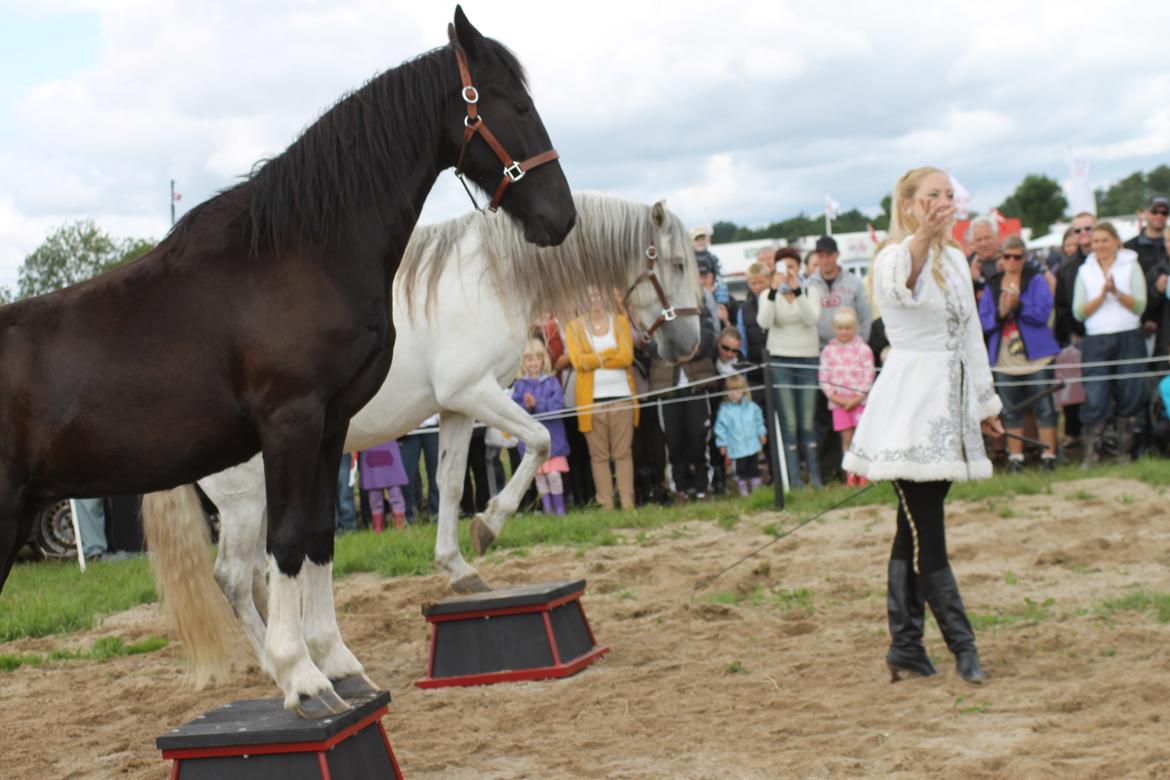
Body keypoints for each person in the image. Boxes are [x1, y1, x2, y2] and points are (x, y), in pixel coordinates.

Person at [843, 166, 1004, 685]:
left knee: (909, 530)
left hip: (949, 406)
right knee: (927, 532)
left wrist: (986, 403)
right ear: (909, 203)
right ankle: (964, 646)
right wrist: (924, 238)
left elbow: (972, 337)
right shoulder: (893, 255)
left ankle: (905, 645)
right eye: (932, 195)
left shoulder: (957, 259)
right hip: (910, 408)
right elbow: (901, 291)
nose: (942, 202)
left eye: (948, 194)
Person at [978, 236, 1062, 472]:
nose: (1012, 261)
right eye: (1007, 256)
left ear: (1025, 258)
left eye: (1017, 256)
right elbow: (984, 321)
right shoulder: (993, 285)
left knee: (1045, 408)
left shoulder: (1035, 281)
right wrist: (1002, 312)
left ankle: (1049, 455)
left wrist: (1018, 306)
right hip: (1004, 360)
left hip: (1037, 358)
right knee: (1010, 410)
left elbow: (1043, 313)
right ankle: (1016, 458)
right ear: (1001, 258)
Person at [1072, 222, 1148, 467]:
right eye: (1096, 241)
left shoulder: (1131, 266)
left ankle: (1123, 452)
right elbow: (1079, 312)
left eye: (1105, 240)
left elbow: (1139, 306)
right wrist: (1103, 294)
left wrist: (1115, 292)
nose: (1100, 245)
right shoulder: (1085, 271)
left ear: (1116, 241)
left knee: (1130, 391)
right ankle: (1093, 452)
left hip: (1129, 335)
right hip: (1096, 338)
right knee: (1095, 394)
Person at [806, 235, 874, 483]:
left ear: (836, 255)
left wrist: (858, 344)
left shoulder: (853, 282)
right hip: (824, 353)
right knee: (827, 419)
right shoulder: (810, 283)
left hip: (853, 355)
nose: (824, 260)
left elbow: (866, 315)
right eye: (820, 256)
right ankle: (833, 469)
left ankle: (861, 469)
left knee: (859, 423)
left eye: (828, 255)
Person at [564, 289, 639, 510]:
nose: (594, 299)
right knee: (598, 457)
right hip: (591, 401)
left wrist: (595, 359)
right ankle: (606, 504)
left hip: (622, 397)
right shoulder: (574, 327)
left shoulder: (620, 322)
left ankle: (627, 503)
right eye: (589, 295)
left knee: (623, 453)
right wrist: (608, 353)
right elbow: (579, 362)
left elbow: (626, 357)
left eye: (598, 294)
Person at [759, 247, 823, 489]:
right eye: (783, 267)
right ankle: (795, 481)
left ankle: (816, 479)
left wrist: (797, 289)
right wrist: (775, 290)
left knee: (807, 421)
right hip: (780, 360)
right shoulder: (768, 293)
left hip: (807, 359)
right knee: (790, 422)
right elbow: (764, 322)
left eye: (792, 267)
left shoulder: (810, 291)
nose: (788, 272)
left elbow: (811, 318)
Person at [649, 291, 717, 500]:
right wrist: (673, 350)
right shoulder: (652, 307)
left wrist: (690, 352)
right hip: (667, 388)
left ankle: (702, 487)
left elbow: (706, 334)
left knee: (699, 437)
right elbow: (649, 342)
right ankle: (679, 488)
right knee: (673, 441)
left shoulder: (693, 300)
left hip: (695, 384)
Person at [511, 337, 570, 516]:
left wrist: (538, 403)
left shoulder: (552, 382)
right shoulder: (519, 386)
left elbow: (557, 406)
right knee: (540, 477)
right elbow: (515, 411)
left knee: (553, 475)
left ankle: (560, 511)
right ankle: (548, 511)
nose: (534, 362)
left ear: (543, 359)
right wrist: (526, 406)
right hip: (531, 441)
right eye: (529, 359)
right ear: (523, 362)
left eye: (537, 357)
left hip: (553, 438)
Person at [818, 307, 875, 486]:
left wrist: (858, 398)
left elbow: (869, 374)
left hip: (859, 402)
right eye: (840, 328)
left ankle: (864, 472)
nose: (844, 332)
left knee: (862, 437)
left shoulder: (863, 349)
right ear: (835, 329)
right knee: (847, 439)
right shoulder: (828, 351)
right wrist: (838, 399)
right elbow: (824, 378)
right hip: (838, 404)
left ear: (855, 328)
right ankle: (850, 473)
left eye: (848, 328)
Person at [714, 374, 767, 496]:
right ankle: (744, 492)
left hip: (752, 445)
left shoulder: (752, 406)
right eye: (730, 391)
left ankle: (757, 491)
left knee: (754, 469)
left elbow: (759, 421)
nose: (733, 394)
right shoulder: (724, 410)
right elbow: (720, 428)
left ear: (744, 390)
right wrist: (722, 444)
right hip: (736, 447)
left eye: (737, 391)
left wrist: (761, 433)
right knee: (741, 470)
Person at [359, 440, 409, 531]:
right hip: (369, 445)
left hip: (388, 442)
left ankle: (400, 527)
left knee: (395, 494)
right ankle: (378, 528)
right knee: (375, 497)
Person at [399, 416, 439, 523]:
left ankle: (436, 515)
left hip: (432, 426)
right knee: (408, 473)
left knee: (436, 473)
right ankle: (410, 516)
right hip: (408, 428)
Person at [966, 216, 1002, 299]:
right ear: (973, 242)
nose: (983, 243)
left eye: (987, 238)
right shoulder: (966, 265)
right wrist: (973, 281)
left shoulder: (1011, 258)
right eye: (978, 240)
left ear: (997, 236)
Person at [690, 226, 728, 304]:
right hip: (692, 290)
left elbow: (721, 275)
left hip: (712, 290)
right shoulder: (687, 259)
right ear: (691, 241)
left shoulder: (713, 258)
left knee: (723, 290)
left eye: (703, 239)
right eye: (697, 239)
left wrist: (714, 287)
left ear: (707, 240)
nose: (700, 242)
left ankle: (721, 310)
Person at [335, 453, 358, 533]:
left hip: (344, 449)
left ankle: (348, 527)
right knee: (327, 494)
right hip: (322, 450)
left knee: (345, 491)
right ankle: (333, 527)